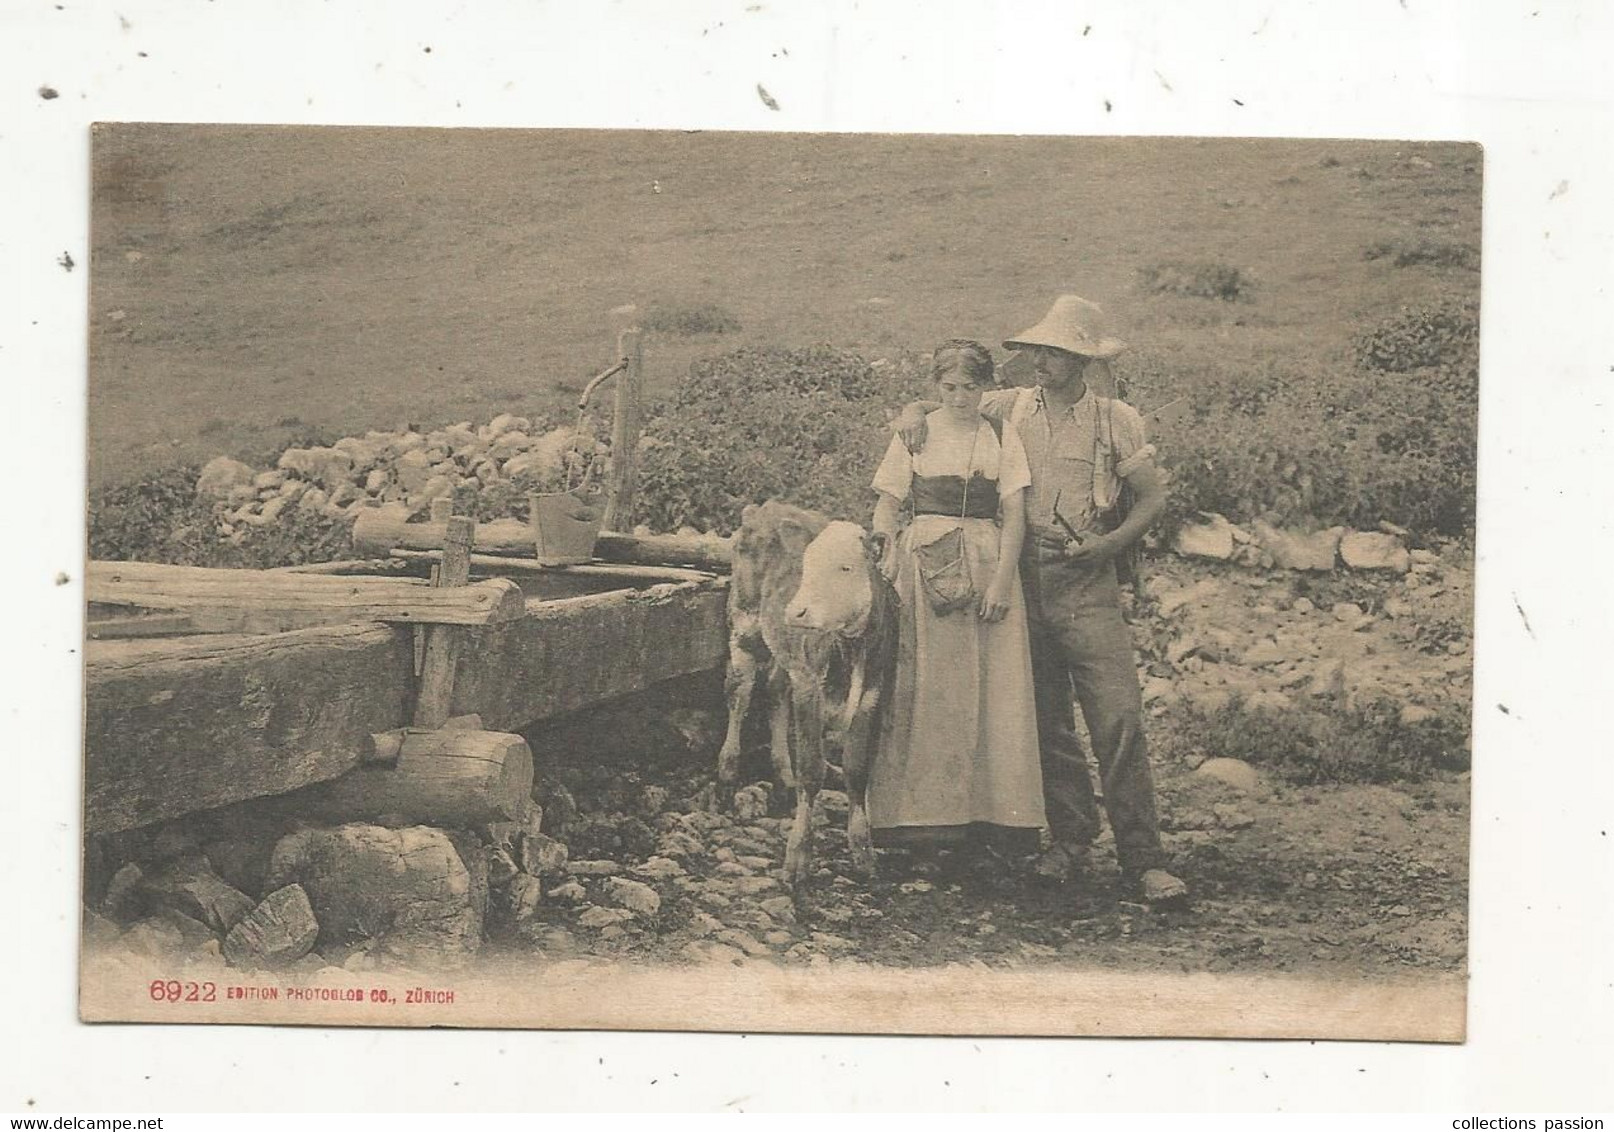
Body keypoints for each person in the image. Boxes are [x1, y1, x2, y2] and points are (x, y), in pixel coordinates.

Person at [896, 297, 1188, 905]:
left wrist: (1107, 545)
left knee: (1119, 717)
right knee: (1046, 721)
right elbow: (946, 402)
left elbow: (1153, 498)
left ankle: (1144, 860)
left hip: (1089, 584)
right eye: (1037, 351)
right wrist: (909, 413)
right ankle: (1070, 842)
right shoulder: (1008, 407)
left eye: (1055, 353)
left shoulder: (1116, 419)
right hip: (1024, 582)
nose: (1039, 362)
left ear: (1082, 360)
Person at [866, 340, 1046, 853]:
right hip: (924, 563)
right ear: (935, 387)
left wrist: (1001, 582)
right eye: (949, 388)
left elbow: (1014, 515)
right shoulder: (915, 432)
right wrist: (887, 548)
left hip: (988, 560)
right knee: (925, 685)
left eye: (970, 387)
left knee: (994, 688)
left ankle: (996, 819)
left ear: (985, 387)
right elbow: (887, 503)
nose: (960, 397)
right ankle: (916, 819)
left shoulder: (999, 433)